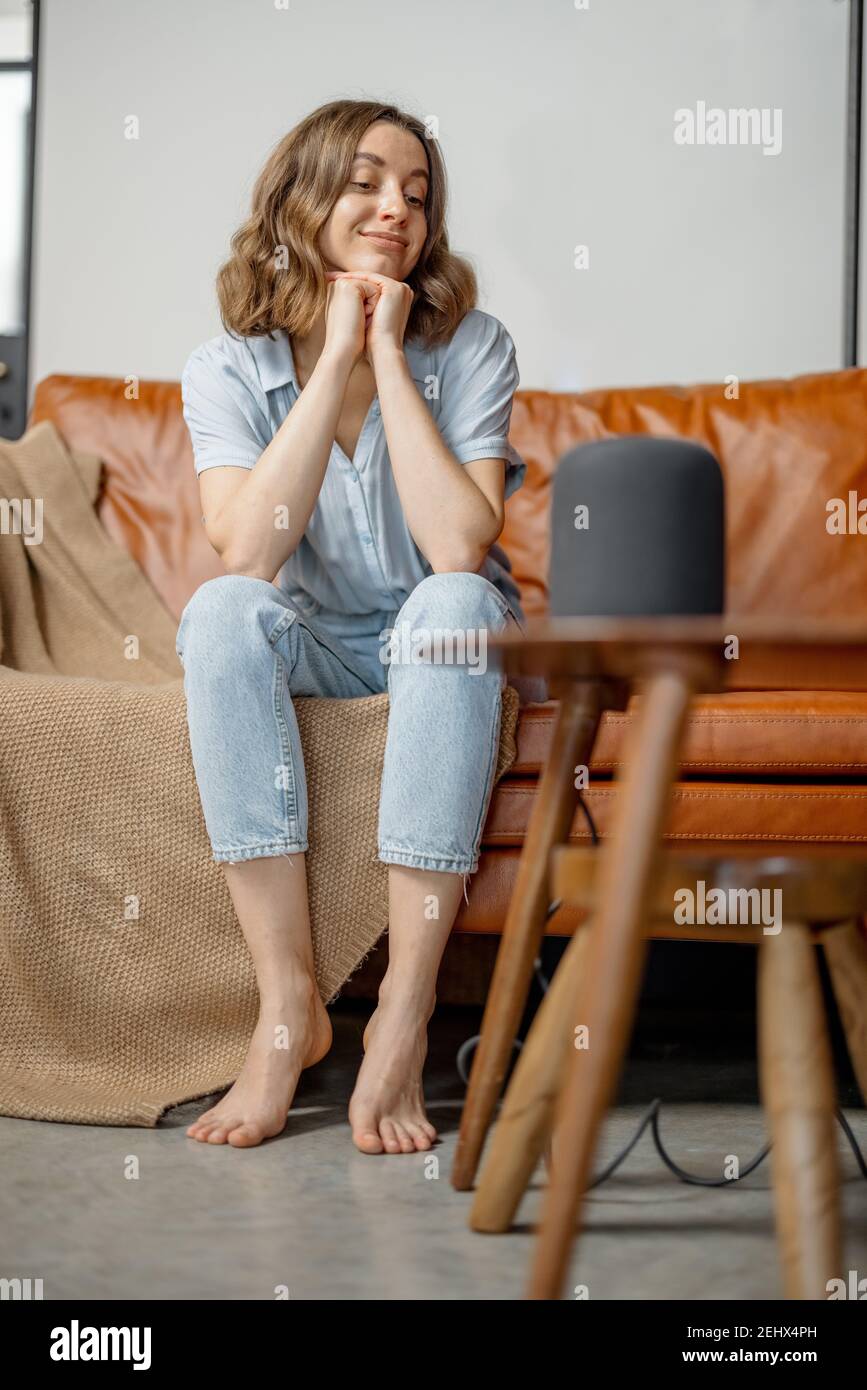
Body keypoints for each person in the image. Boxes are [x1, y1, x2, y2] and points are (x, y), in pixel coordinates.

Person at [175, 98, 535, 1154]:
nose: (397, 211)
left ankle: (405, 1009)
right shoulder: (227, 367)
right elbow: (247, 552)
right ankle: (287, 1008)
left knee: (455, 602)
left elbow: (458, 546)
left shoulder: (473, 347)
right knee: (223, 610)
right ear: (302, 198)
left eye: (417, 196)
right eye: (370, 182)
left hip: (443, 638)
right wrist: (330, 357)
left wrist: (387, 356)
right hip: (322, 642)